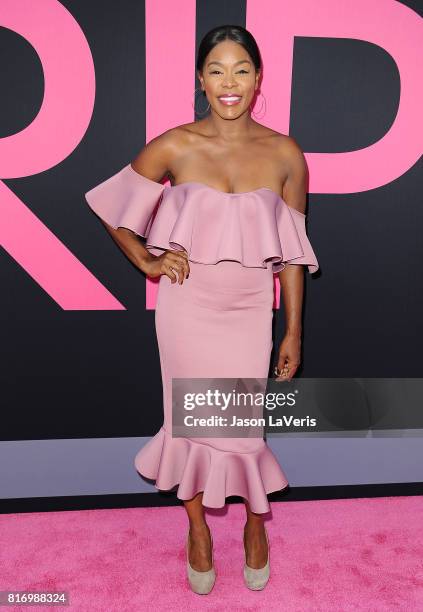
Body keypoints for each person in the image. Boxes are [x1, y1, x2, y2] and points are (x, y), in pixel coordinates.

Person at [85, 24, 319, 595]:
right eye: (217, 70)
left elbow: (290, 254)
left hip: (246, 311)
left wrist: (293, 330)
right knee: (187, 425)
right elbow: (115, 209)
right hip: (187, 308)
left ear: (259, 79)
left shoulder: (286, 154)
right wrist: (146, 260)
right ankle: (197, 530)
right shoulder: (176, 144)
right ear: (201, 80)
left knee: (241, 429)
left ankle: (255, 523)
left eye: (241, 69)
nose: (229, 82)